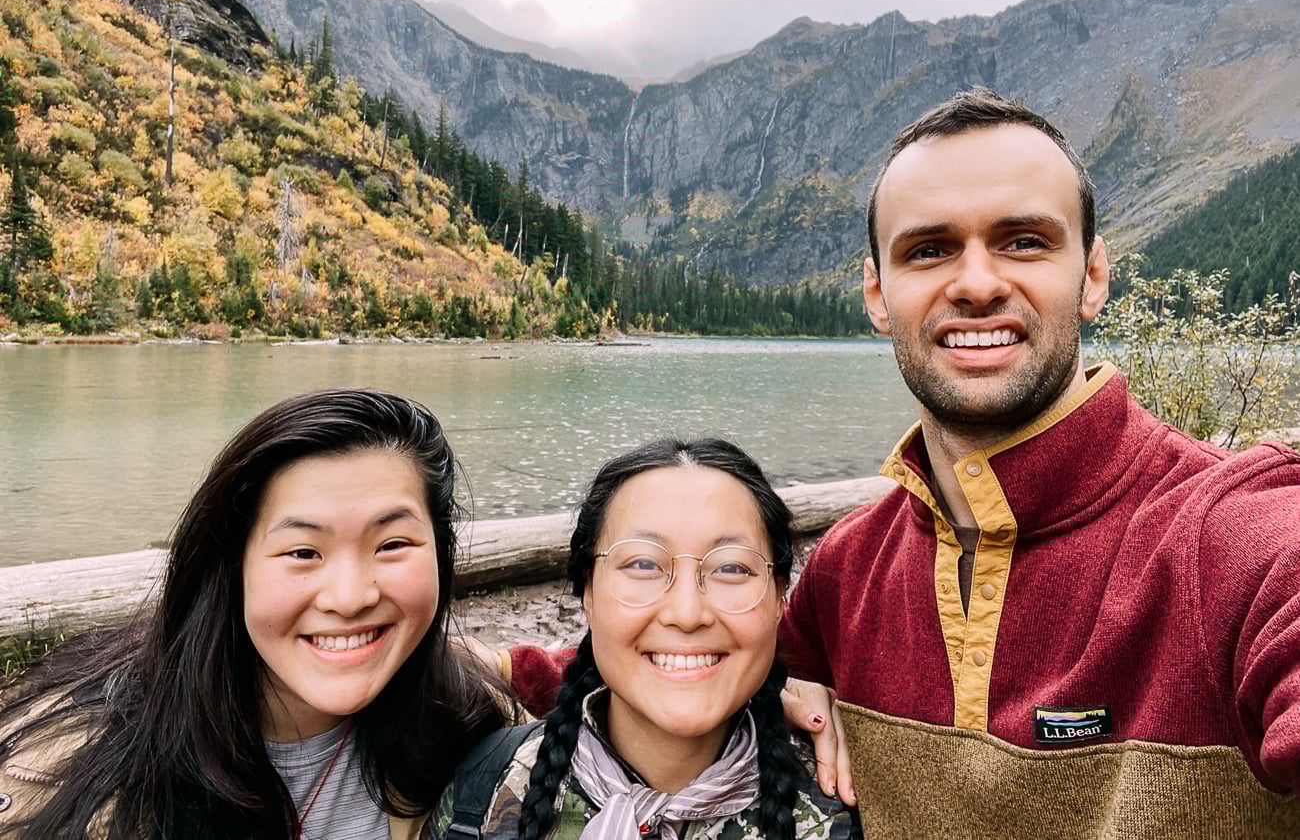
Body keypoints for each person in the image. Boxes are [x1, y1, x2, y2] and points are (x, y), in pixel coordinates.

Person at [505, 90, 1300, 838]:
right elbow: (690, 649)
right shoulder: (851, 569)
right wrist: (489, 662)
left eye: (1024, 241)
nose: (977, 283)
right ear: (877, 294)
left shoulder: (1236, 536)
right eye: (930, 250)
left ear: (1092, 275)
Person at [0, 388, 509, 839]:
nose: (350, 597)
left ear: (440, 552)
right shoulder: (61, 778)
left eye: (392, 544)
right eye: (303, 552)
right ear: (231, 567)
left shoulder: (472, 725)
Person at [429, 438, 858, 840]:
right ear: (587, 592)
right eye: (643, 564)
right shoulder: (479, 798)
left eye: (731, 568)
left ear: (780, 597)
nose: (686, 613)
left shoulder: (848, 813)